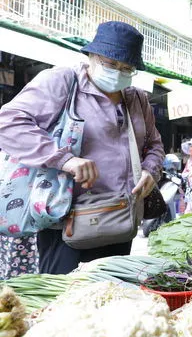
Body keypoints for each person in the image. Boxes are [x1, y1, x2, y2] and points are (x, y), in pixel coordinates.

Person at [0, 21, 165, 274]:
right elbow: (8, 123)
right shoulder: (62, 82)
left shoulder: (137, 98)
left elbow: (154, 143)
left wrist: (150, 171)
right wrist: (64, 159)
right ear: (91, 56)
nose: (118, 72)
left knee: (109, 292)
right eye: (111, 64)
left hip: (120, 217)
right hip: (67, 218)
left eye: (127, 68)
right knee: (62, 297)